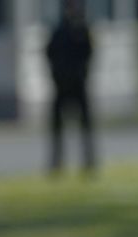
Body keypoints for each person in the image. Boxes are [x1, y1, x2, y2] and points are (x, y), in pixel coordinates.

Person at [46, 0, 96, 179]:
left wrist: (81, 72)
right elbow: (49, 53)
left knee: (86, 126)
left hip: (79, 83)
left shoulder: (82, 31)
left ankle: (89, 163)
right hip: (61, 85)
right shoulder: (59, 31)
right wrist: (56, 74)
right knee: (57, 128)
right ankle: (56, 164)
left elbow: (89, 54)